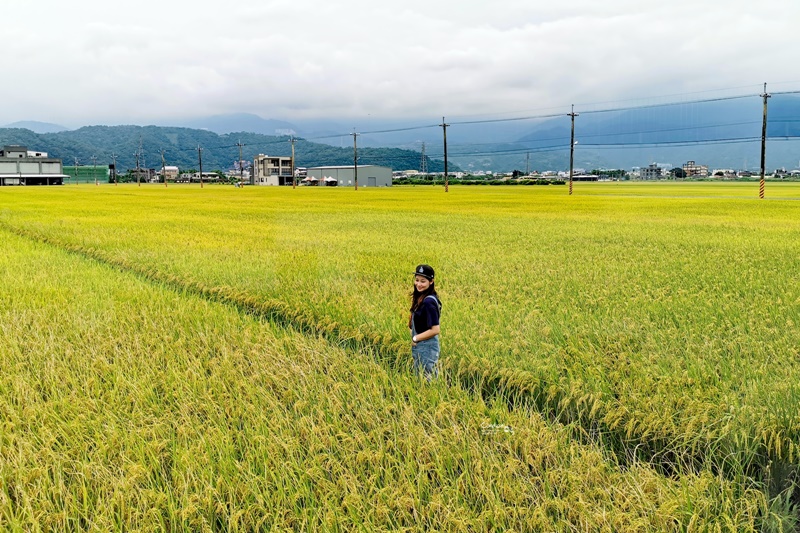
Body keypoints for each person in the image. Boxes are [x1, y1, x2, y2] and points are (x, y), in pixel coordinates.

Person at [409, 264, 442, 380]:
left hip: (427, 347)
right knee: (421, 379)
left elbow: (435, 329)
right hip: (421, 346)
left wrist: (415, 338)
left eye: (423, 281)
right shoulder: (421, 297)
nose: (419, 284)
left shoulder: (428, 302)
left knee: (428, 381)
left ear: (431, 281)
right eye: (417, 280)